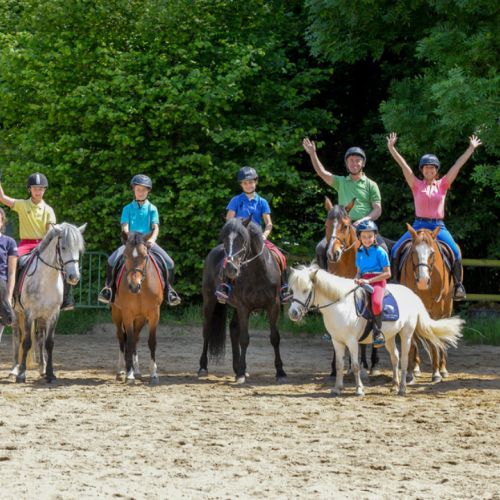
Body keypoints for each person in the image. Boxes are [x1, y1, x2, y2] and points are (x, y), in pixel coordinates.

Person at [387, 132, 482, 300]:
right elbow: (403, 166)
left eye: (432, 168)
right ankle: (395, 281)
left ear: (436, 170)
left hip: (438, 227)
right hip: (418, 225)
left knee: (456, 252)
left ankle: (458, 286)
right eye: (426, 168)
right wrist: (391, 148)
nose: (429, 170)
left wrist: (471, 148)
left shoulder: (443, 184)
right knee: (395, 249)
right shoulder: (416, 184)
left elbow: (457, 166)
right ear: (422, 170)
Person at [97, 174, 180, 306]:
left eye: (144, 190)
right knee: (111, 260)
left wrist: (152, 239)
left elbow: (155, 227)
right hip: (131, 242)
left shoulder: (153, 208)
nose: (141, 192)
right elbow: (125, 227)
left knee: (169, 263)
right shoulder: (127, 209)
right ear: (134, 190)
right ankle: (108, 290)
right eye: (138, 189)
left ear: (148, 191)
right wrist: (129, 239)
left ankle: (169, 291)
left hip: (147, 242)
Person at [302, 138, 385, 269]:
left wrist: (364, 219)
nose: (354, 163)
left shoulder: (371, 185)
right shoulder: (341, 182)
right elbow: (321, 173)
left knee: (383, 248)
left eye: (357, 160)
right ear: (346, 163)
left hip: (366, 226)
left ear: (363, 163)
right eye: (351, 160)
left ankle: (387, 281)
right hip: (342, 225)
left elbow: (377, 209)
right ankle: (323, 277)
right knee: (321, 247)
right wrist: (312, 154)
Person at [0, 173, 74, 310]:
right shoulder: (22, 205)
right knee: (14, 265)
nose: (38, 191)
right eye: (35, 188)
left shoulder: (49, 210)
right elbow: (2, 198)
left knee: (62, 265)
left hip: (43, 244)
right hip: (25, 244)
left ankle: (66, 298)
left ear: (44, 190)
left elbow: (49, 232)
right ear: (29, 189)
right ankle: (13, 296)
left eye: (41, 188)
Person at [215, 166, 289, 303]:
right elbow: (229, 221)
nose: (248, 185)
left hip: (257, 238)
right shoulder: (235, 200)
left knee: (280, 255)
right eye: (245, 183)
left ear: (256, 182)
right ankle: (224, 286)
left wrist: (264, 236)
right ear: (241, 185)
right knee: (228, 257)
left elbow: (269, 224)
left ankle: (283, 287)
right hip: (239, 239)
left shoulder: (262, 202)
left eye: (251, 182)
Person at [354, 220, 391, 348]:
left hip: (378, 281)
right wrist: (356, 278)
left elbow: (387, 273)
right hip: (363, 281)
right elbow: (359, 272)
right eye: (364, 237)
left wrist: (369, 281)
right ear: (359, 237)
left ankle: (378, 332)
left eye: (370, 236)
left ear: (375, 236)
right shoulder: (359, 253)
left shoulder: (381, 252)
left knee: (376, 303)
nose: (367, 239)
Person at [0, 208, 18, 306]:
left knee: (9, 319)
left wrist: (9, 297)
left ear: (2, 222)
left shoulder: (10, 242)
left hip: (1, 285)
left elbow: (11, 273)